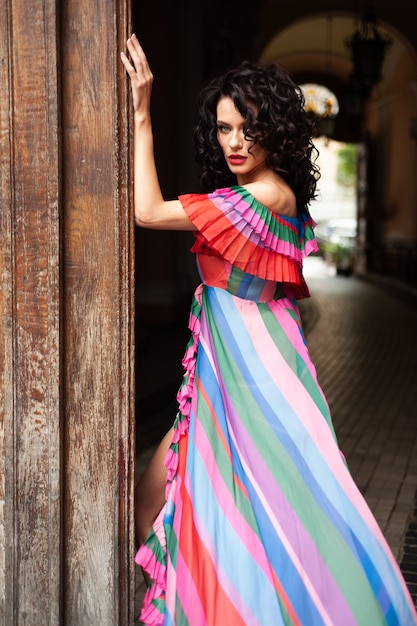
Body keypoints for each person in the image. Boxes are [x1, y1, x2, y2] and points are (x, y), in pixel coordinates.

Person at [121, 34, 417, 626]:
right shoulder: (272, 194)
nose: (234, 142)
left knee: (265, 515)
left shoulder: (255, 198)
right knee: (179, 504)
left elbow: (147, 211)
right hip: (234, 381)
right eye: (225, 128)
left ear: (274, 130)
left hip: (250, 390)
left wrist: (140, 113)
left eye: (248, 129)